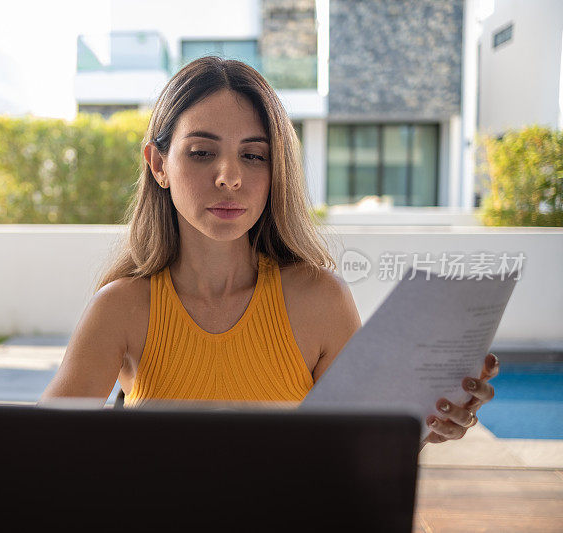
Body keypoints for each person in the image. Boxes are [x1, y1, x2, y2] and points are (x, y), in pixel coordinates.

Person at [40, 56, 498, 447]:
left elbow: (358, 456)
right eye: (201, 153)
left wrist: (422, 427)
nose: (229, 177)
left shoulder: (321, 301)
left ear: (275, 170)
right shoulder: (121, 308)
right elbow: (36, 452)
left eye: (254, 156)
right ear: (159, 164)